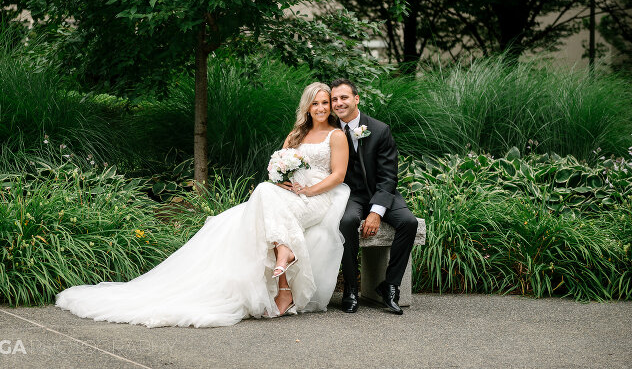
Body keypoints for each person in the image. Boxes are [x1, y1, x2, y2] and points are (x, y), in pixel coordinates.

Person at [56, 82, 350, 327]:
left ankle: (284, 266)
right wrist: (281, 180)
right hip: (288, 193)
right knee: (264, 189)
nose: (322, 108)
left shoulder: (336, 136)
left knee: (261, 196)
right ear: (307, 107)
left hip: (317, 197)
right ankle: (284, 266)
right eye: (316, 104)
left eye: (326, 103)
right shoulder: (295, 135)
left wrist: (308, 190)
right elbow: (277, 168)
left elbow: (338, 175)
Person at [330, 78, 418, 315]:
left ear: (356, 99)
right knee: (347, 222)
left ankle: (390, 285)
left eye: (344, 97)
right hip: (351, 195)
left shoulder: (379, 130)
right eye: (334, 99)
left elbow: (389, 176)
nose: (339, 103)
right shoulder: (329, 130)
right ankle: (350, 287)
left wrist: (376, 212)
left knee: (409, 223)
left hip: (382, 190)